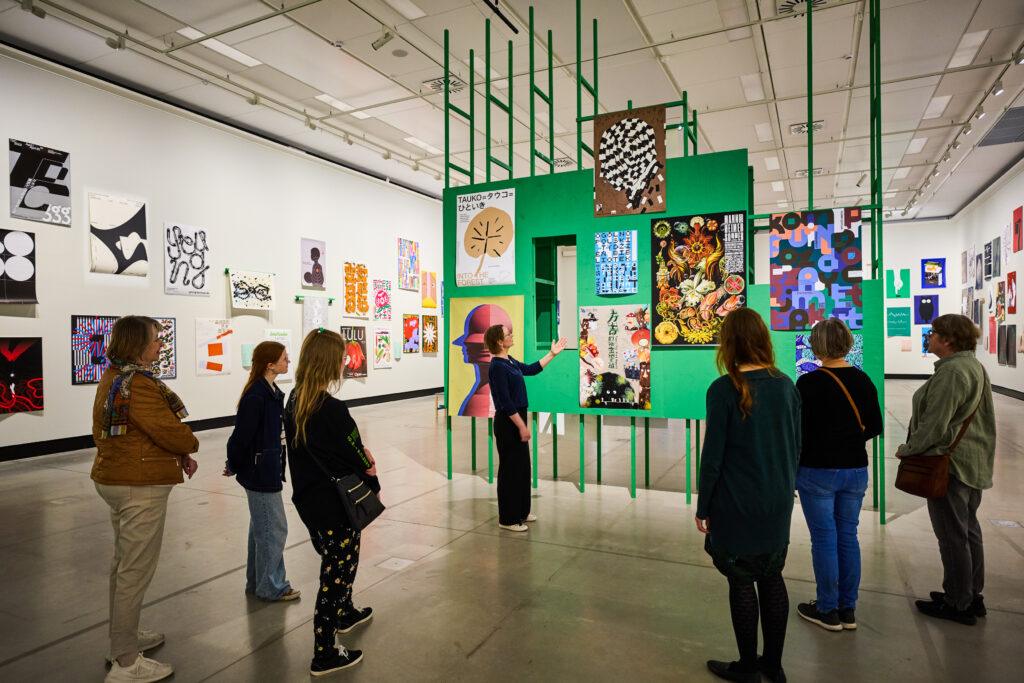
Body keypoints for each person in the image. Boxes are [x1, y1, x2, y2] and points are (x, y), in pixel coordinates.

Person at [91, 316, 199, 683]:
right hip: (138, 486)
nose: (160, 346)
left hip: (116, 478)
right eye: (155, 340)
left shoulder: (114, 378)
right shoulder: (138, 386)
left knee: (124, 567)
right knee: (134, 572)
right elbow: (170, 431)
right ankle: (124, 662)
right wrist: (190, 444)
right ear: (137, 344)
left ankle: (123, 639)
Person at [695, 308, 800, 683]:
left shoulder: (724, 389)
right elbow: (795, 445)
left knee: (741, 581)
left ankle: (746, 667)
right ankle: (773, 664)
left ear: (729, 343)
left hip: (736, 504)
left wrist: (703, 505)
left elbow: (713, 458)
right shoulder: (786, 384)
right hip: (776, 502)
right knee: (772, 577)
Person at [285, 330, 381, 676]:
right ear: (328, 362)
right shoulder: (333, 410)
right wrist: (373, 482)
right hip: (336, 506)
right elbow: (358, 457)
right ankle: (324, 653)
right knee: (335, 575)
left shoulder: (294, 401)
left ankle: (346, 611)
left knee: (336, 562)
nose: (345, 362)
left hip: (309, 503)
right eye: (341, 357)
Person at [898, 314, 995, 626]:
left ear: (948, 340)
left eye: (933, 333)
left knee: (953, 536)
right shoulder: (972, 367)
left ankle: (957, 603)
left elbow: (936, 425)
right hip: (970, 460)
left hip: (950, 465)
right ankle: (969, 593)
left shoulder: (953, 372)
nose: (930, 337)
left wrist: (908, 449)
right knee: (968, 530)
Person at [793, 319, 883, 631]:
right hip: (855, 469)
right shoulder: (863, 380)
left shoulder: (807, 384)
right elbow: (874, 427)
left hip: (816, 470)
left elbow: (797, 433)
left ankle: (827, 608)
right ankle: (848, 609)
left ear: (816, 345)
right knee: (848, 536)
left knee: (824, 539)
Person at [223, 341, 299, 602]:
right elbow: (241, 436)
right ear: (270, 364)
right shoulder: (257, 395)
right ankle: (272, 587)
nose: (288, 362)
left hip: (268, 467)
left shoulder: (272, 392)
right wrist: (232, 463)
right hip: (259, 471)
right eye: (284, 358)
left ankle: (257, 582)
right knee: (274, 529)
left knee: (262, 529)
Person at [485, 325, 566, 532]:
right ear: (499, 342)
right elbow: (505, 402)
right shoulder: (497, 367)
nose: (512, 336)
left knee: (522, 468)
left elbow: (531, 369)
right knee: (509, 471)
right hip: (508, 422)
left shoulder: (510, 361)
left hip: (517, 418)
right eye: (508, 334)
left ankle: (521, 511)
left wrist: (552, 354)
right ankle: (508, 518)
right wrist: (522, 426)